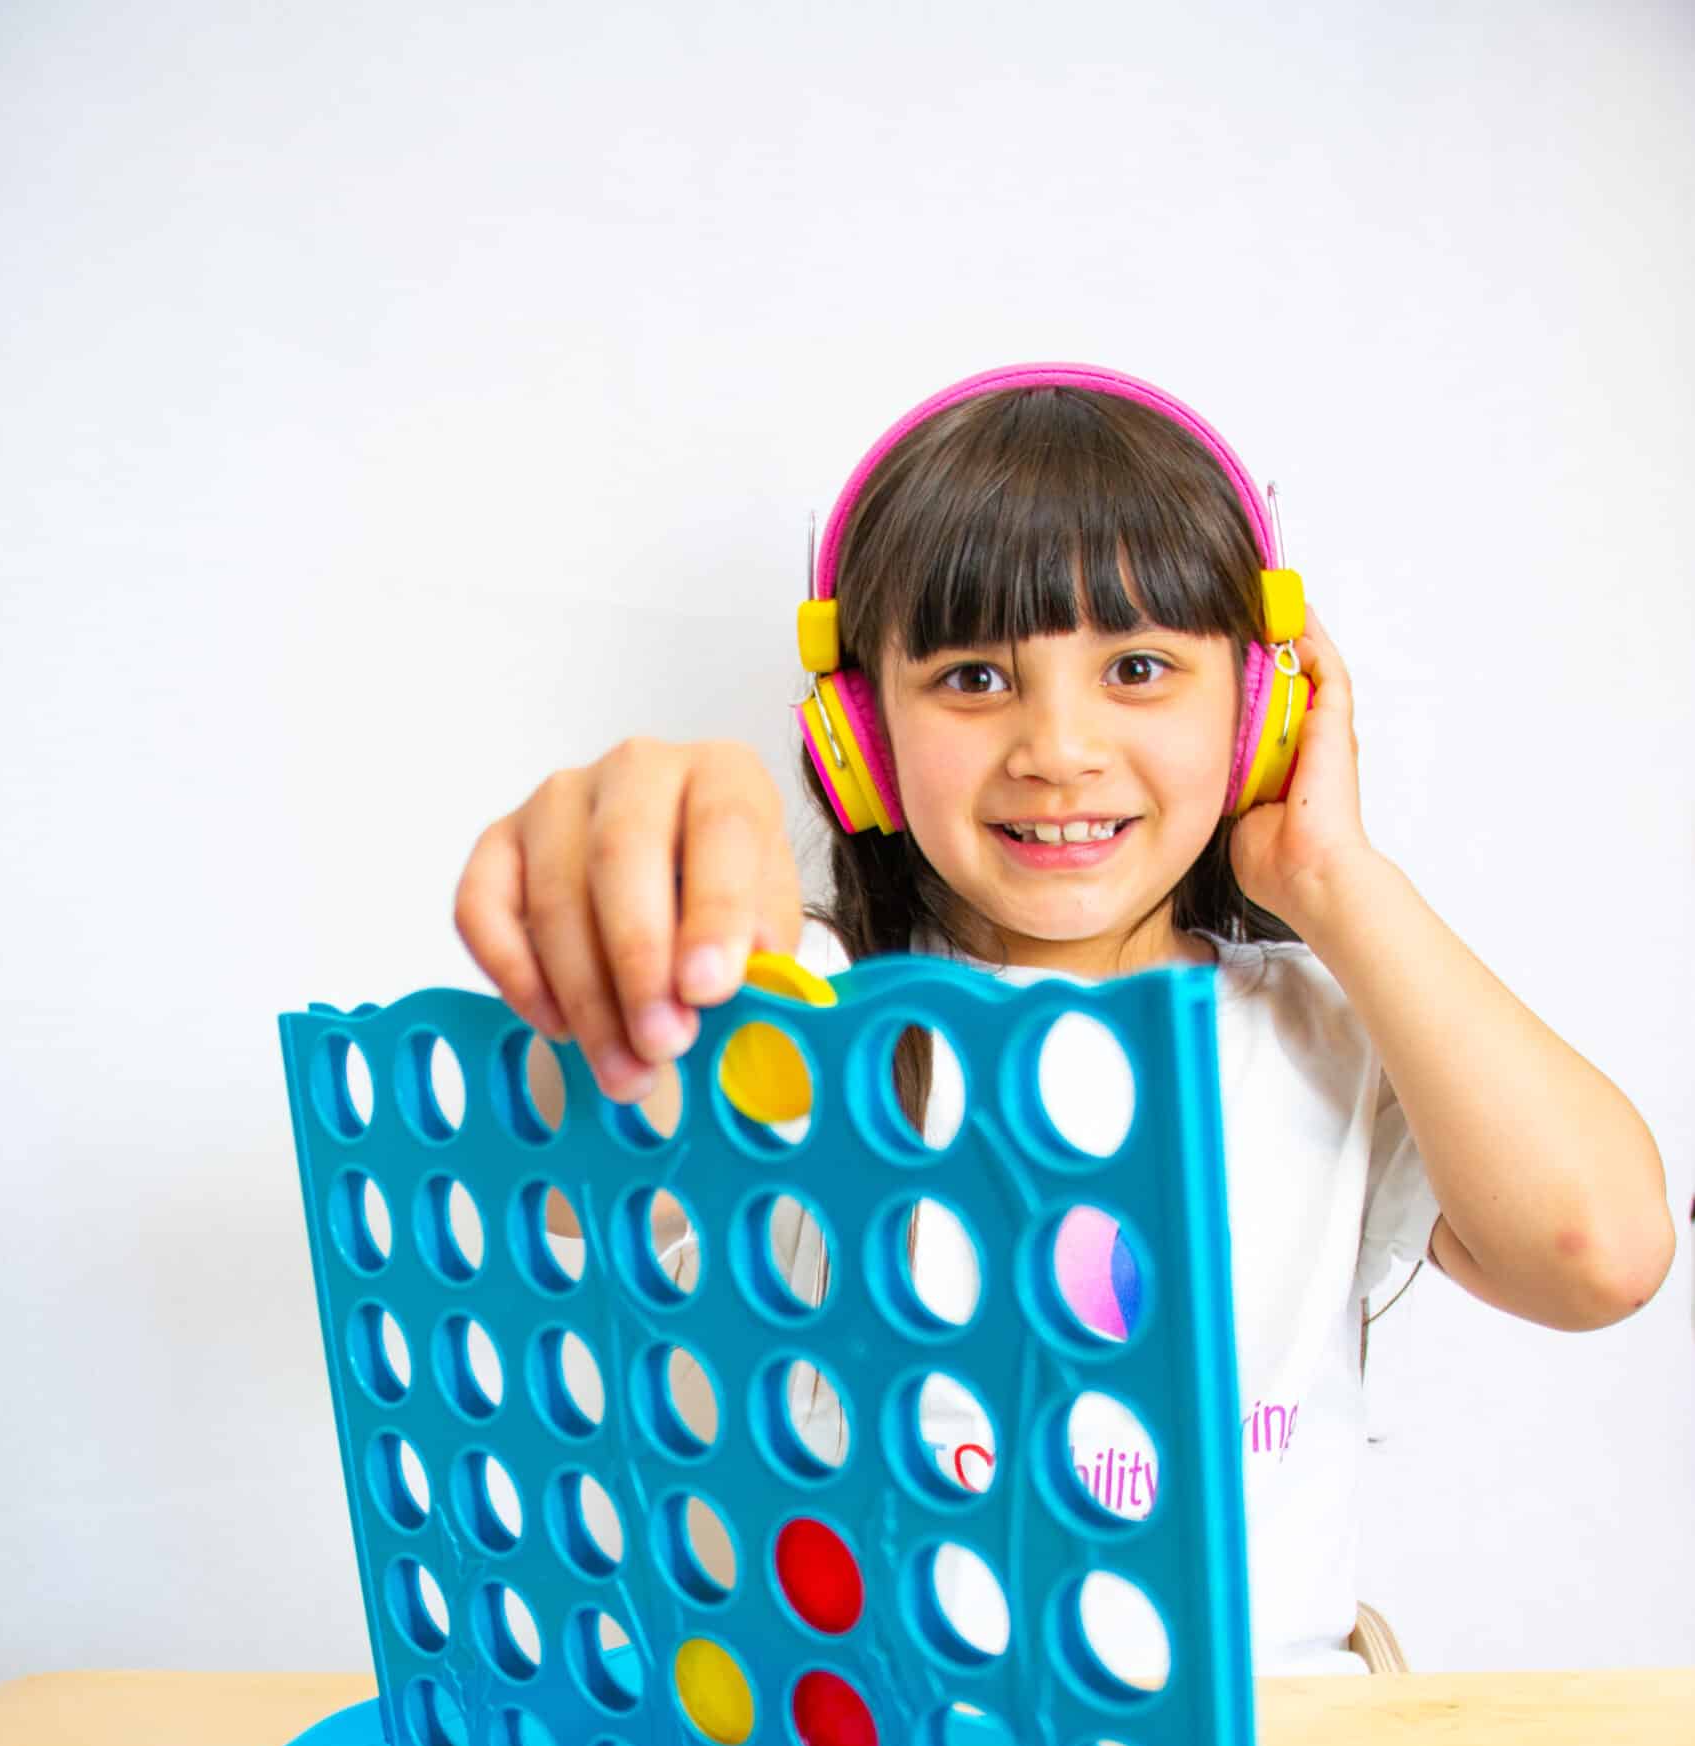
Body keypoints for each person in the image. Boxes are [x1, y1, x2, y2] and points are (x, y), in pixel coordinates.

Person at [452, 363, 1675, 1675]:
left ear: (1260, 712)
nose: (1059, 747)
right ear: (860, 730)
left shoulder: (1340, 1032)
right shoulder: (800, 1003)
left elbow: (1594, 1253)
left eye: (1138, 667)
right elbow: (571, 1146)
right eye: (974, 679)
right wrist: (672, 882)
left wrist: (1330, 879)